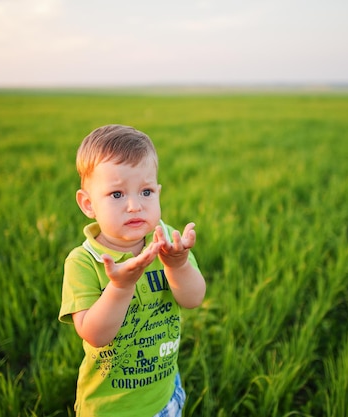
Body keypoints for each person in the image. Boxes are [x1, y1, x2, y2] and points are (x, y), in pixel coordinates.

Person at [59, 124, 206, 417]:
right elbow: (94, 334)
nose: (134, 205)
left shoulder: (165, 240)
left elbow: (193, 299)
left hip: (164, 392)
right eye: (116, 194)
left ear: (158, 192)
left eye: (146, 191)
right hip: (112, 406)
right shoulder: (85, 261)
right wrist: (121, 287)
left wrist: (177, 265)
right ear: (88, 204)